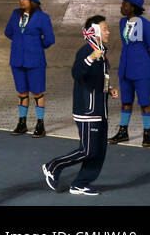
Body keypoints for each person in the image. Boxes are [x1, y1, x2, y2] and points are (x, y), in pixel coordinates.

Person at [43, 16, 117, 196]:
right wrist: (91, 58)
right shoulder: (86, 51)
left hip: (101, 110)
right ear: (96, 31)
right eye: (105, 28)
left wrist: (109, 89)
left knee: (98, 151)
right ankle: (53, 166)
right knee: (88, 149)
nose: (108, 32)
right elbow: (77, 73)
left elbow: (98, 80)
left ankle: (80, 183)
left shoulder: (102, 53)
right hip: (87, 110)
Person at [109, 0, 150, 147]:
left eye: (125, 4)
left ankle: (147, 133)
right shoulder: (122, 22)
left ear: (134, 7)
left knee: (144, 102)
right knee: (126, 101)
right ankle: (123, 131)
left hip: (142, 69)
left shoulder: (146, 25)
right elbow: (126, 44)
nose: (122, 7)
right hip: (126, 68)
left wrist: (147, 64)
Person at [5, 0, 54, 138]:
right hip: (17, 59)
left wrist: (35, 45)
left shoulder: (43, 17)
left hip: (35, 61)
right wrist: (21, 42)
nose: (21, 0)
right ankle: (22, 123)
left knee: (37, 92)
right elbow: (8, 32)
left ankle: (40, 124)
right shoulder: (14, 14)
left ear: (32, 2)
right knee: (22, 93)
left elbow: (49, 39)